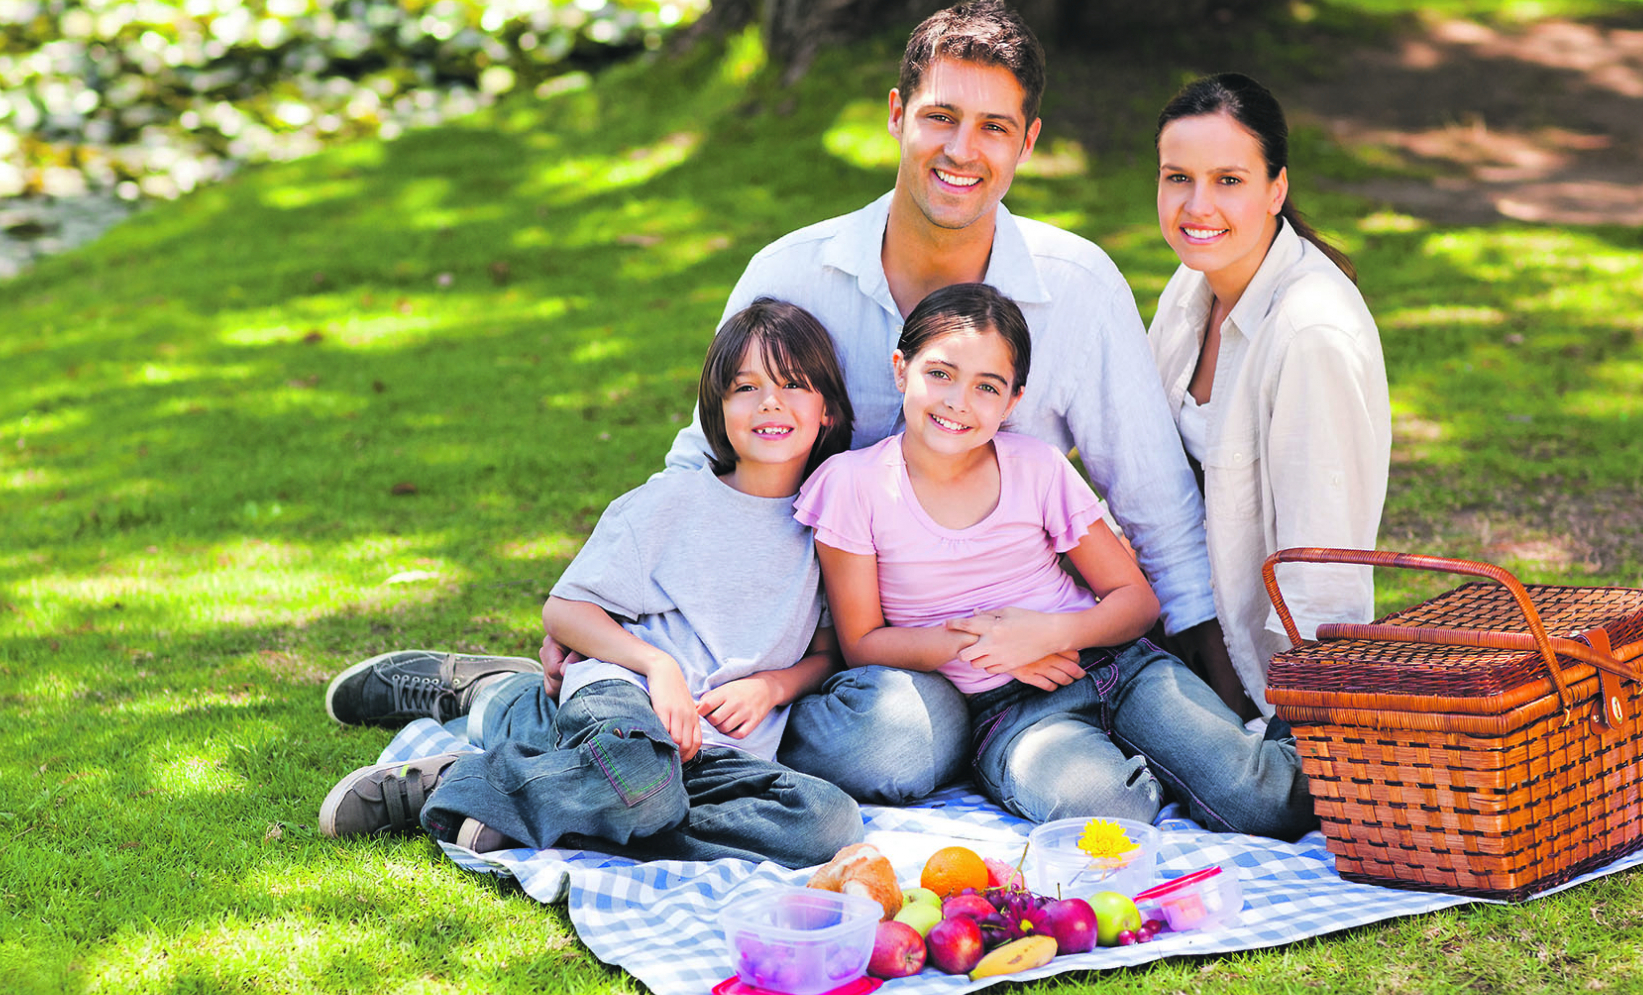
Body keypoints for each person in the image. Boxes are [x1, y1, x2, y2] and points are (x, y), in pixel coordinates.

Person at [321, 0, 1215, 807]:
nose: (961, 150)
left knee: (907, 743)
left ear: (1028, 142)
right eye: (940, 116)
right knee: (890, 743)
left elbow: (1156, 506)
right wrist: (612, 624)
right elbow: (707, 453)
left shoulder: (1078, 285)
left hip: (992, 643)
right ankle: (527, 708)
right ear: (897, 115)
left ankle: (617, 750)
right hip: (805, 634)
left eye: (993, 128)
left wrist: (1222, 694)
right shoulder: (791, 273)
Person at [317, 300, 866, 867]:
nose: (770, 402)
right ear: (718, 408)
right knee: (641, 779)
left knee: (827, 822)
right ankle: (455, 784)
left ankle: (546, 796)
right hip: (626, 702)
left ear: (827, 409)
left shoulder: (830, 528)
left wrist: (772, 687)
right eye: (746, 387)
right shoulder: (671, 503)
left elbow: (826, 653)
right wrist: (658, 666)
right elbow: (565, 610)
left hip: (716, 754)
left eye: (793, 384)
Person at [796, 282, 1312, 836]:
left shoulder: (1036, 467)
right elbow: (863, 642)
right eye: (940, 374)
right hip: (1012, 717)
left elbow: (1136, 602)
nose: (958, 401)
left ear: (1013, 401)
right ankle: (1166, 771)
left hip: (1119, 666)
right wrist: (990, 646)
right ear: (901, 369)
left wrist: (1050, 634)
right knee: (1108, 813)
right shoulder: (854, 485)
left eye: (986, 387)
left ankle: (1321, 740)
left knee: (1262, 804)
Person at [1145, 73, 1391, 721]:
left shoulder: (1311, 333)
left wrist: (1300, 726)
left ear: (1276, 188)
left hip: (1264, 683)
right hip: (1177, 625)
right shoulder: (1190, 287)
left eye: (1228, 180)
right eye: (1178, 177)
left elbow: (1322, 570)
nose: (1197, 205)